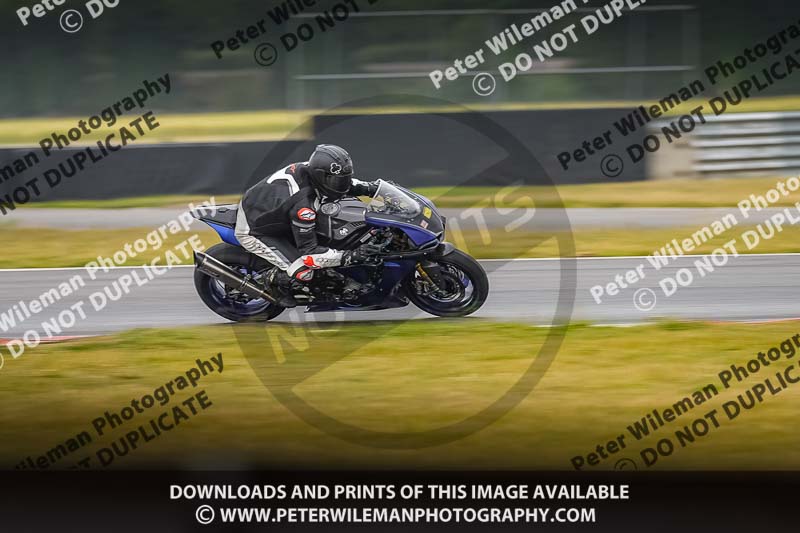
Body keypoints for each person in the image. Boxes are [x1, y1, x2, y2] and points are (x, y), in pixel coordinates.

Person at [234, 144, 380, 307]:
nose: (341, 185)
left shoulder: (314, 170)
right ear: (320, 176)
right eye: (336, 181)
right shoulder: (304, 207)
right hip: (255, 229)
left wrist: (377, 189)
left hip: (276, 214)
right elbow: (310, 253)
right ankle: (271, 281)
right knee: (305, 272)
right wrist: (350, 256)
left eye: (343, 179)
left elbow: (351, 184)